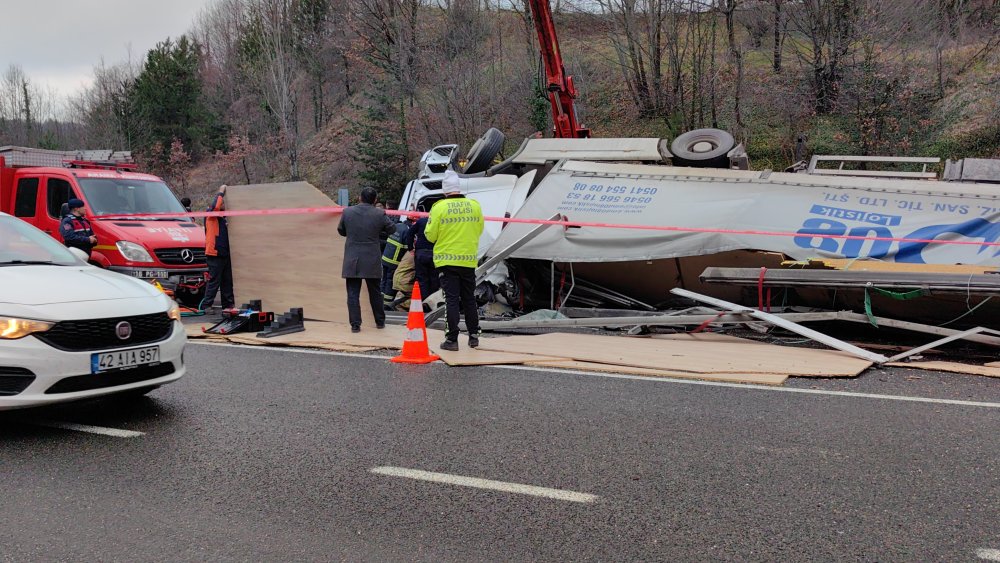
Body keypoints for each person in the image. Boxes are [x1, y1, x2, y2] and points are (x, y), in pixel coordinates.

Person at [424, 170, 484, 351]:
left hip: (447, 261)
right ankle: (474, 336)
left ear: (445, 191)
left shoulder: (439, 207)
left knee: (451, 300)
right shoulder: (474, 205)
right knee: (469, 299)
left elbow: (430, 235)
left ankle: (452, 340)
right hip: (468, 260)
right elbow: (479, 229)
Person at [338, 187, 395, 333]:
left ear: (359, 198)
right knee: (375, 292)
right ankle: (380, 321)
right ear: (375, 200)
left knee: (352, 293)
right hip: (372, 258)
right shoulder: (379, 213)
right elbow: (392, 229)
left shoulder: (347, 212)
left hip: (353, 258)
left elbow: (341, 230)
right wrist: (378, 232)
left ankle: (355, 325)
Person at [201, 185, 235, 312]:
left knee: (227, 281)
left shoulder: (222, 219)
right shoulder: (211, 214)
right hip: (214, 253)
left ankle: (228, 305)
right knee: (214, 281)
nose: (225, 205)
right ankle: (207, 306)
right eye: (223, 203)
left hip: (224, 253)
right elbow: (216, 206)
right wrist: (221, 192)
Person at [404, 207, 438, 298]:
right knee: (434, 279)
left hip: (421, 254)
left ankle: (424, 302)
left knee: (422, 279)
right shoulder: (440, 223)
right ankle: (432, 302)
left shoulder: (421, 221)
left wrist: (410, 248)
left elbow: (410, 233)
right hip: (435, 254)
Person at [380, 214, 414, 307]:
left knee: (384, 280)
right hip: (394, 261)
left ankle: (380, 300)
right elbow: (407, 248)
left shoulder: (397, 226)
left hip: (385, 257)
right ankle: (387, 304)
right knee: (390, 281)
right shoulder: (407, 231)